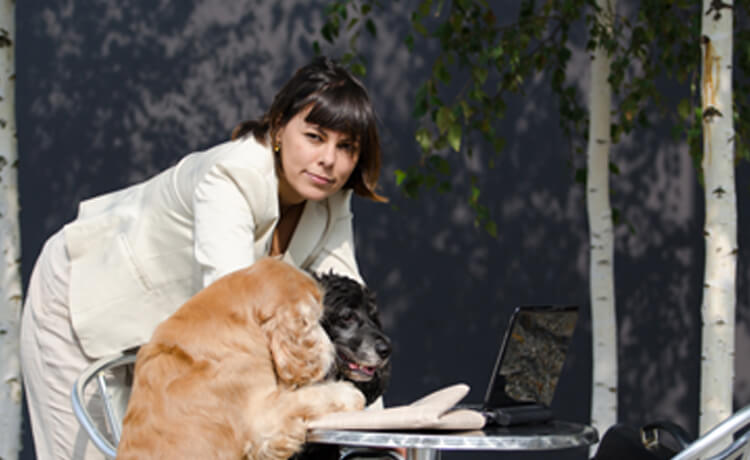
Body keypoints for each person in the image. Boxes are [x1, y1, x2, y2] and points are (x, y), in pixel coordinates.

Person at [19, 56, 387, 460]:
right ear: (279, 125)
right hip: (83, 302)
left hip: (172, 341)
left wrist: (383, 433)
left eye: (347, 147)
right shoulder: (232, 174)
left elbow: (353, 317)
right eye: (315, 137)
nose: (329, 160)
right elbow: (233, 312)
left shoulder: (331, 202)